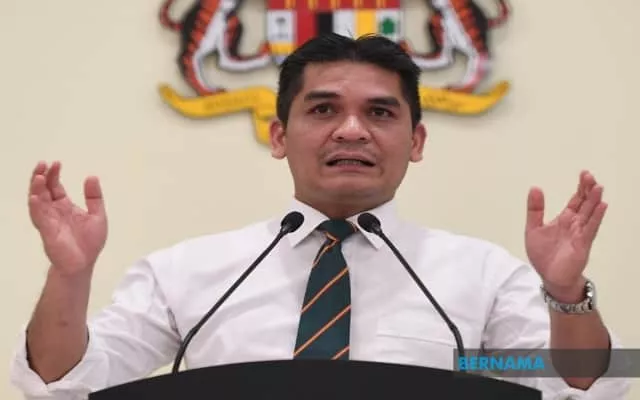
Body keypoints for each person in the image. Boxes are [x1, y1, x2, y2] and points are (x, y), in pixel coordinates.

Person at [10, 33, 630, 399]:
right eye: (324, 109)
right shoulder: (186, 272)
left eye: (380, 113)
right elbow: (59, 384)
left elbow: (589, 387)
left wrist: (566, 293)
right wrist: (69, 275)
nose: (352, 130)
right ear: (280, 135)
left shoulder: (485, 276)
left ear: (416, 141)